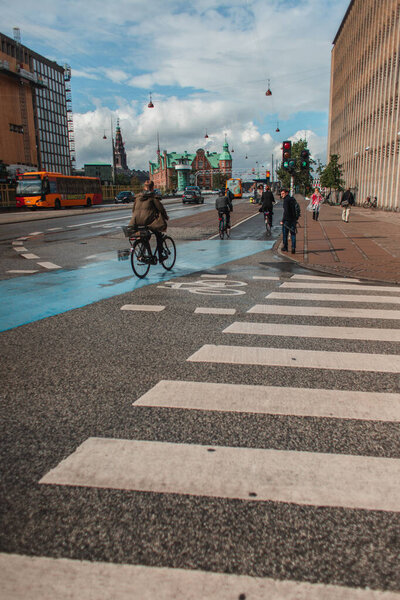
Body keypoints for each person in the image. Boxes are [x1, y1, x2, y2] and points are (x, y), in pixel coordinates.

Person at [128, 180, 169, 258]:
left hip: (135, 222)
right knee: (158, 235)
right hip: (147, 222)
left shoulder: (138, 197)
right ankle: (161, 256)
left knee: (146, 236)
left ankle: (145, 253)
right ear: (153, 188)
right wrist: (166, 217)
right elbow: (161, 209)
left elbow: (133, 210)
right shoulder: (153, 197)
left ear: (144, 187)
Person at [280, 188, 297, 254]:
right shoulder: (293, 199)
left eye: (283, 193)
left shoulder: (286, 200)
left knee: (285, 234)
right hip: (293, 219)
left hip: (287, 220)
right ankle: (293, 247)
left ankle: (285, 247)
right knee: (293, 234)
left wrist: (283, 220)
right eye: (281, 194)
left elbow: (286, 211)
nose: (282, 195)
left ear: (286, 193)